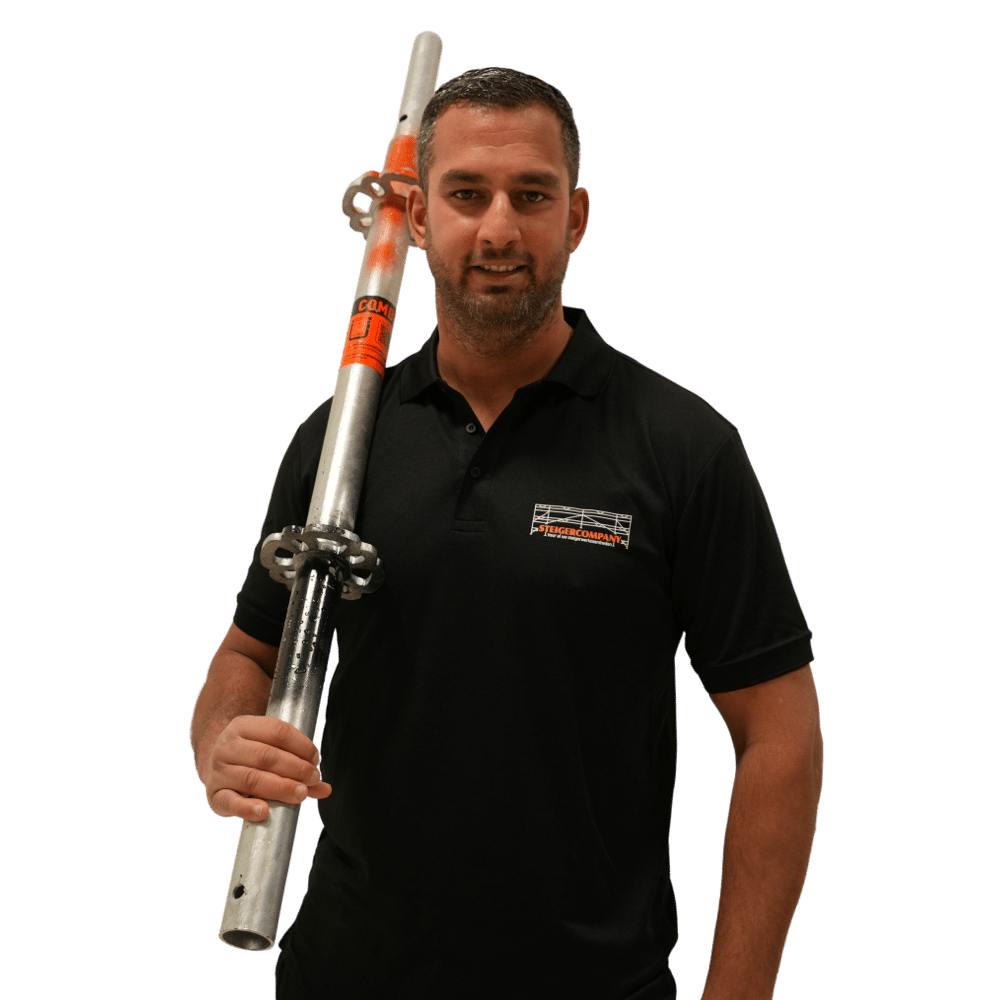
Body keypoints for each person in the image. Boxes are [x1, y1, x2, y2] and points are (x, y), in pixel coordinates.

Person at [190, 67, 823, 1000]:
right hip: (344, 974)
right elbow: (248, 651)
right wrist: (222, 743)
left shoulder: (683, 446)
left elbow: (779, 735)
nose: (498, 229)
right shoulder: (338, 441)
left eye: (532, 195)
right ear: (415, 217)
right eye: (466, 194)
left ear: (577, 218)